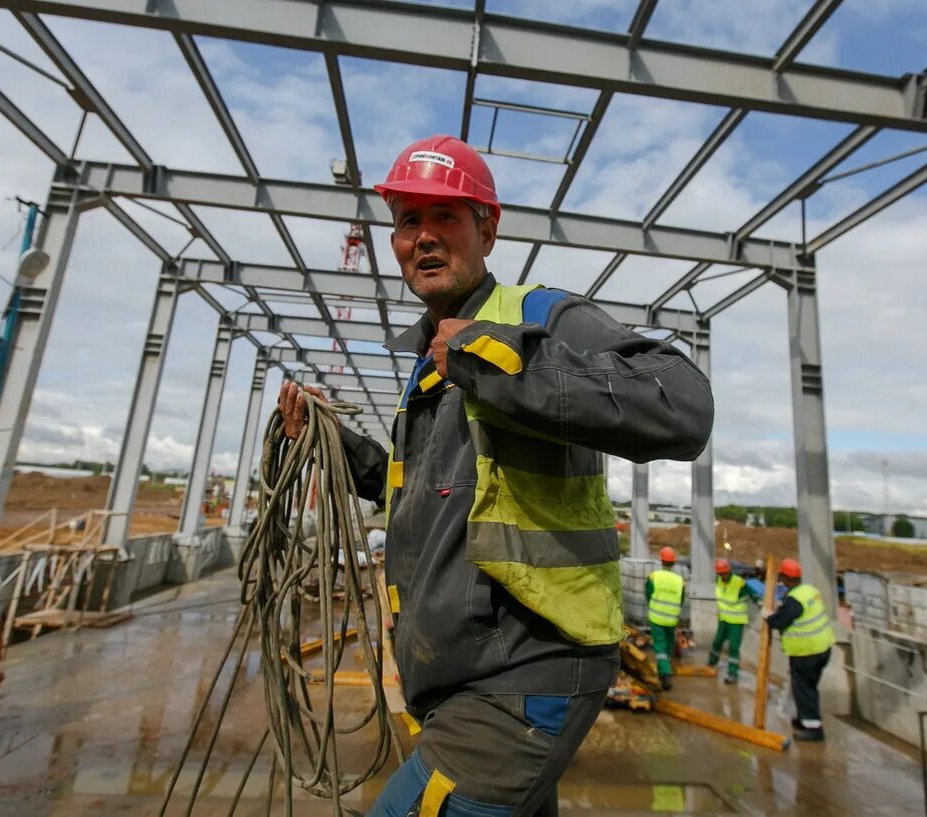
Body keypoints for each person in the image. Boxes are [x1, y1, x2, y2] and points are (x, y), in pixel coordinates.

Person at [279, 134, 714, 817]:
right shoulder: (430, 363)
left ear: (488, 227)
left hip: (522, 674)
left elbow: (682, 403)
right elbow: (418, 498)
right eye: (407, 220)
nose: (422, 237)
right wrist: (332, 443)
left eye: (444, 216)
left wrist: (500, 360)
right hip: (456, 682)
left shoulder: (539, 319)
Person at [763, 558, 836, 742]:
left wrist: (769, 617)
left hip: (807, 652)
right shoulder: (810, 591)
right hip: (823, 648)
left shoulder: (794, 599)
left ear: (786, 578)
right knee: (809, 687)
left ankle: (813, 729)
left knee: (804, 689)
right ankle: (806, 719)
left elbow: (780, 621)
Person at [707, 558, 759, 684]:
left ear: (729, 571)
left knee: (734, 647)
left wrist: (760, 603)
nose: (723, 575)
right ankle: (711, 664)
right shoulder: (718, 580)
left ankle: (732, 673)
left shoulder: (739, 583)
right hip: (723, 620)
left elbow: (754, 595)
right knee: (717, 642)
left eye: (725, 573)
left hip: (736, 621)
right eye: (721, 573)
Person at [645, 547, 685, 690]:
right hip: (672, 618)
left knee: (660, 647)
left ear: (661, 561)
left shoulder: (654, 576)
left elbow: (648, 594)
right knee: (668, 646)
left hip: (657, 617)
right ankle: (663, 672)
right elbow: (681, 600)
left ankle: (666, 674)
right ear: (673, 563)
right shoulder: (680, 580)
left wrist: (654, 606)